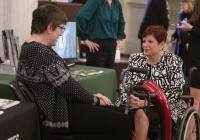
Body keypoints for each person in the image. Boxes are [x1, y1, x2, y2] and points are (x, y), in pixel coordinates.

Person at [15, 4, 141, 140]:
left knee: (121, 113)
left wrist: (92, 97)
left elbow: (66, 86)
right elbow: (69, 88)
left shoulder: (28, 48)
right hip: (57, 115)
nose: (61, 33)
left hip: (57, 106)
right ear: (49, 28)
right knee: (122, 120)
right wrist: (95, 100)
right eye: (60, 29)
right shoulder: (40, 52)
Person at [116, 25, 187, 139]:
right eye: (144, 41)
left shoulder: (173, 61)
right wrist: (129, 99)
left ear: (161, 44)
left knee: (140, 113)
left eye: (150, 41)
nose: (145, 45)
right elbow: (125, 85)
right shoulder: (135, 58)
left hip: (162, 106)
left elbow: (175, 91)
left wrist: (145, 103)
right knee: (123, 112)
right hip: (134, 104)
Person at [76, 0, 125, 68]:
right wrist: (85, 39)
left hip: (112, 46)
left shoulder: (116, 3)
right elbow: (81, 17)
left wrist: (120, 38)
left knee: (107, 76)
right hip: (97, 46)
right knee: (95, 76)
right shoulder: (96, 1)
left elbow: (121, 21)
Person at [177, 0, 200, 138]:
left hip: (198, 62)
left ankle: (189, 135)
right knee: (197, 101)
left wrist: (191, 29)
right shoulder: (195, 14)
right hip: (194, 60)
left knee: (194, 101)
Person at [171, 0, 194, 77]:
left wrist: (185, 40)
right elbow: (178, 28)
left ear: (189, 5)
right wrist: (174, 36)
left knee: (186, 65)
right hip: (179, 45)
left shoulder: (192, 16)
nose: (183, 6)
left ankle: (186, 82)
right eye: (182, 5)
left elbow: (192, 31)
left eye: (184, 5)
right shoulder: (182, 15)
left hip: (187, 45)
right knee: (178, 62)